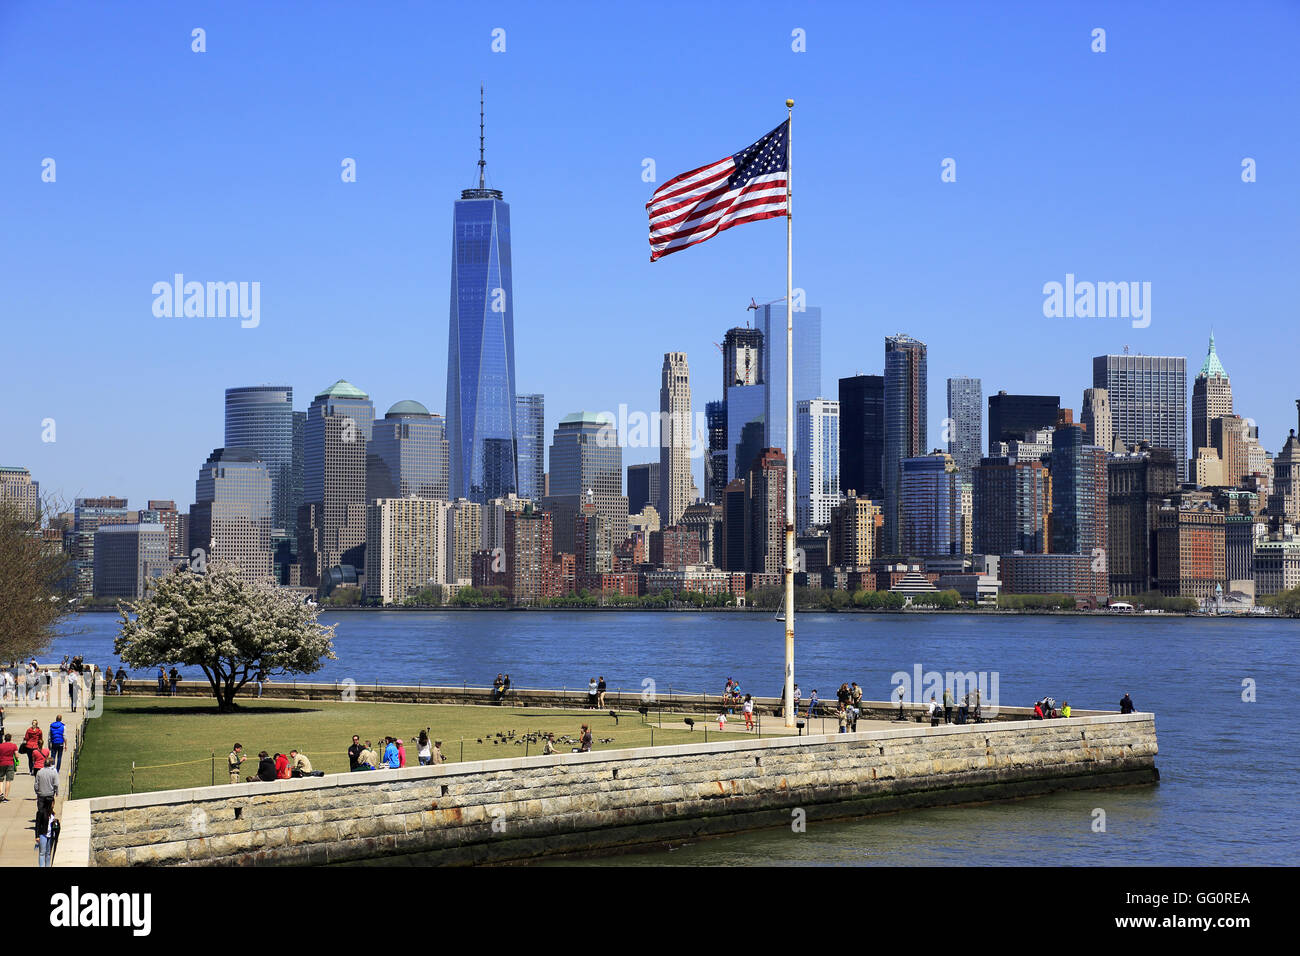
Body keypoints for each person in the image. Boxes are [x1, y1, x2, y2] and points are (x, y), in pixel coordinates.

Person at [0, 733, 17, 801]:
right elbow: (16, 755)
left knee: (0, 779)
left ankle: (0, 793)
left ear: (4, 738)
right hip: (10, 763)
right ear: (10, 738)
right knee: (8, 780)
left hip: (1, 763)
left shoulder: (0, 746)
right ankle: (6, 796)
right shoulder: (13, 746)